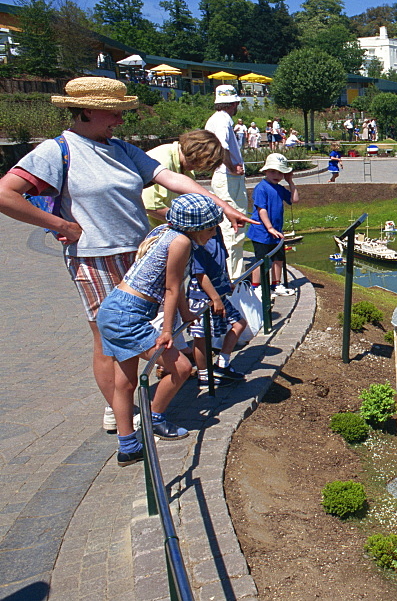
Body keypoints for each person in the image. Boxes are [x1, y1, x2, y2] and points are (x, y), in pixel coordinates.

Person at [0, 77, 251, 435]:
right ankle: (121, 412)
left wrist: (221, 205)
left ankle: (135, 412)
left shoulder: (120, 149)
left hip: (139, 254)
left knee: (136, 333)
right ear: (88, 111)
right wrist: (61, 224)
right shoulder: (57, 151)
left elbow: (170, 179)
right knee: (109, 338)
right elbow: (6, 194)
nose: (120, 120)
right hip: (95, 257)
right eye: (114, 113)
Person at [96, 193, 225, 464]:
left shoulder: (165, 231)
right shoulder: (181, 242)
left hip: (112, 309)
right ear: (197, 227)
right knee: (180, 368)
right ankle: (154, 417)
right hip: (129, 315)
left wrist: (187, 313)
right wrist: (167, 330)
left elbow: (173, 284)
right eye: (212, 226)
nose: (214, 231)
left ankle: (128, 446)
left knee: (125, 383)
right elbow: (171, 287)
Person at [187, 225, 248, 390]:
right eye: (210, 230)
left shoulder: (216, 233)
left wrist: (227, 280)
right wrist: (215, 298)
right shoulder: (197, 244)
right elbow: (200, 274)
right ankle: (204, 375)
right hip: (202, 297)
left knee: (239, 323)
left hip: (219, 292)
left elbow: (223, 257)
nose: (213, 232)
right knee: (202, 337)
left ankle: (222, 363)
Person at [205, 84, 250, 279]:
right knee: (235, 225)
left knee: (228, 224)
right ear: (233, 103)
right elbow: (221, 146)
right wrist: (232, 165)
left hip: (223, 176)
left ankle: (229, 272)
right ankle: (234, 277)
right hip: (228, 177)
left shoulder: (215, 119)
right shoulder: (223, 120)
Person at [143, 130, 227, 227]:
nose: (197, 168)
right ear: (196, 154)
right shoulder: (162, 160)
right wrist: (188, 222)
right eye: (198, 164)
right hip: (145, 230)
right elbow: (150, 207)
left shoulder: (186, 168)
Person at [247, 153, 299, 297]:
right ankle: (256, 286)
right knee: (260, 260)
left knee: (278, 259)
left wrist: (290, 182)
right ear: (265, 171)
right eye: (272, 172)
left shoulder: (279, 188)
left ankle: (276, 284)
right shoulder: (261, 188)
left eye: (280, 172)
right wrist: (269, 227)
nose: (276, 175)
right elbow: (261, 209)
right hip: (261, 231)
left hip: (276, 232)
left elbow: (294, 199)